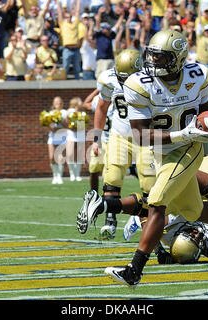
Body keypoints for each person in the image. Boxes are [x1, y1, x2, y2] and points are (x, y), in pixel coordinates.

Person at [100, 30, 208, 288]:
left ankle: (134, 271)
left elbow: (205, 112)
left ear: (178, 59)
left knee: (157, 202)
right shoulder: (139, 84)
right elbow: (141, 136)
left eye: (161, 57)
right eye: (152, 56)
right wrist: (182, 132)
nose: (154, 62)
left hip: (190, 149)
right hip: (162, 151)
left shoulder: (197, 75)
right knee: (194, 210)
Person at [77, 48, 156, 240]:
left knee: (150, 186)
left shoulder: (152, 79)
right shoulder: (109, 78)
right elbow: (101, 109)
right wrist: (96, 138)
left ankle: (150, 227)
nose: (124, 81)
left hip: (145, 137)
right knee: (111, 178)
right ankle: (109, 221)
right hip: (119, 136)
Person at [56, 0, 82, 80]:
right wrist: (57, 3)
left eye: (70, 17)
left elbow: (77, 11)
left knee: (77, 69)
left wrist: (78, 2)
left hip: (76, 49)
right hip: (67, 49)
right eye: (67, 17)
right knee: (65, 68)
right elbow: (60, 13)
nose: (69, 18)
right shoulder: (63, 24)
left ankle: (79, 85)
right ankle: (63, 84)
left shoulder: (75, 23)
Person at [47, 96, 68, 185]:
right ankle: (54, 175)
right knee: (52, 157)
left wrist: (61, 121)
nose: (57, 104)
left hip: (62, 137)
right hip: (52, 136)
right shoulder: (51, 113)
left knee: (60, 157)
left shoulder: (64, 112)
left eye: (59, 102)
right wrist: (53, 129)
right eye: (56, 102)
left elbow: (67, 125)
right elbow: (49, 126)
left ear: (62, 103)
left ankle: (59, 176)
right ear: (53, 104)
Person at [65, 97, 86, 182]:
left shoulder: (82, 112)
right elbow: (66, 121)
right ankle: (72, 173)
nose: (82, 102)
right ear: (76, 103)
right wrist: (72, 127)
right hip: (71, 134)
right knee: (70, 154)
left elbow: (85, 123)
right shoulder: (69, 111)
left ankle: (77, 174)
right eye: (80, 101)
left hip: (80, 134)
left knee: (79, 155)